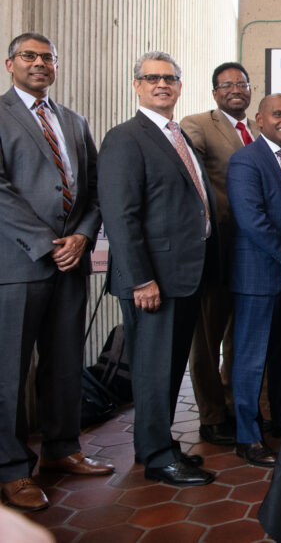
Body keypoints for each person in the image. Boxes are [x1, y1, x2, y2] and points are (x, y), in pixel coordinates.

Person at [0, 33, 111, 512]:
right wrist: (49, 245)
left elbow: (95, 189)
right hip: (18, 264)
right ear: (10, 64)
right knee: (9, 371)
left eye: (48, 57)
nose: (40, 63)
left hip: (72, 261)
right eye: (29, 56)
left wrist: (82, 236)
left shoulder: (74, 121)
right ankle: (11, 469)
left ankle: (62, 448)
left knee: (64, 362)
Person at [98, 51, 219, 486]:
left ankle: (157, 446)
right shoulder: (125, 138)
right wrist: (141, 279)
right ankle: (157, 458)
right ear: (137, 86)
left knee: (168, 369)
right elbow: (120, 216)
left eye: (169, 78)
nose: (162, 84)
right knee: (153, 371)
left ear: (180, 86)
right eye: (152, 78)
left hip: (183, 277)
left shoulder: (176, 134)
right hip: (153, 280)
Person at [227, 94, 281, 467]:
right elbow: (252, 220)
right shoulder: (245, 160)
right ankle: (248, 437)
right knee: (251, 359)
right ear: (259, 119)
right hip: (257, 278)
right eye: (278, 114)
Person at [179, 61, 257, 447]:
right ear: (214, 93)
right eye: (226, 85)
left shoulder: (259, 128)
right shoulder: (197, 125)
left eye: (241, 84)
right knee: (207, 336)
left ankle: (233, 403)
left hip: (254, 250)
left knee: (239, 334)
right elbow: (187, 174)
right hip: (217, 246)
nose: (235, 90)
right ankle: (211, 416)